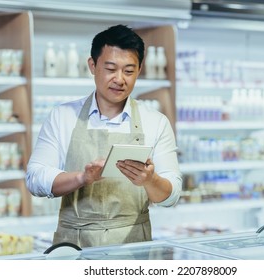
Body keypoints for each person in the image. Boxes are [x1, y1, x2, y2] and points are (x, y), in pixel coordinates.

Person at [26, 24, 182, 248]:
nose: (120, 79)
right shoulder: (63, 116)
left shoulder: (155, 122)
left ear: (139, 70)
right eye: (110, 69)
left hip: (133, 248)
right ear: (92, 65)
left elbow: (171, 195)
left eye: (129, 71)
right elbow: (35, 178)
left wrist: (151, 180)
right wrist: (82, 178)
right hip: (74, 247)